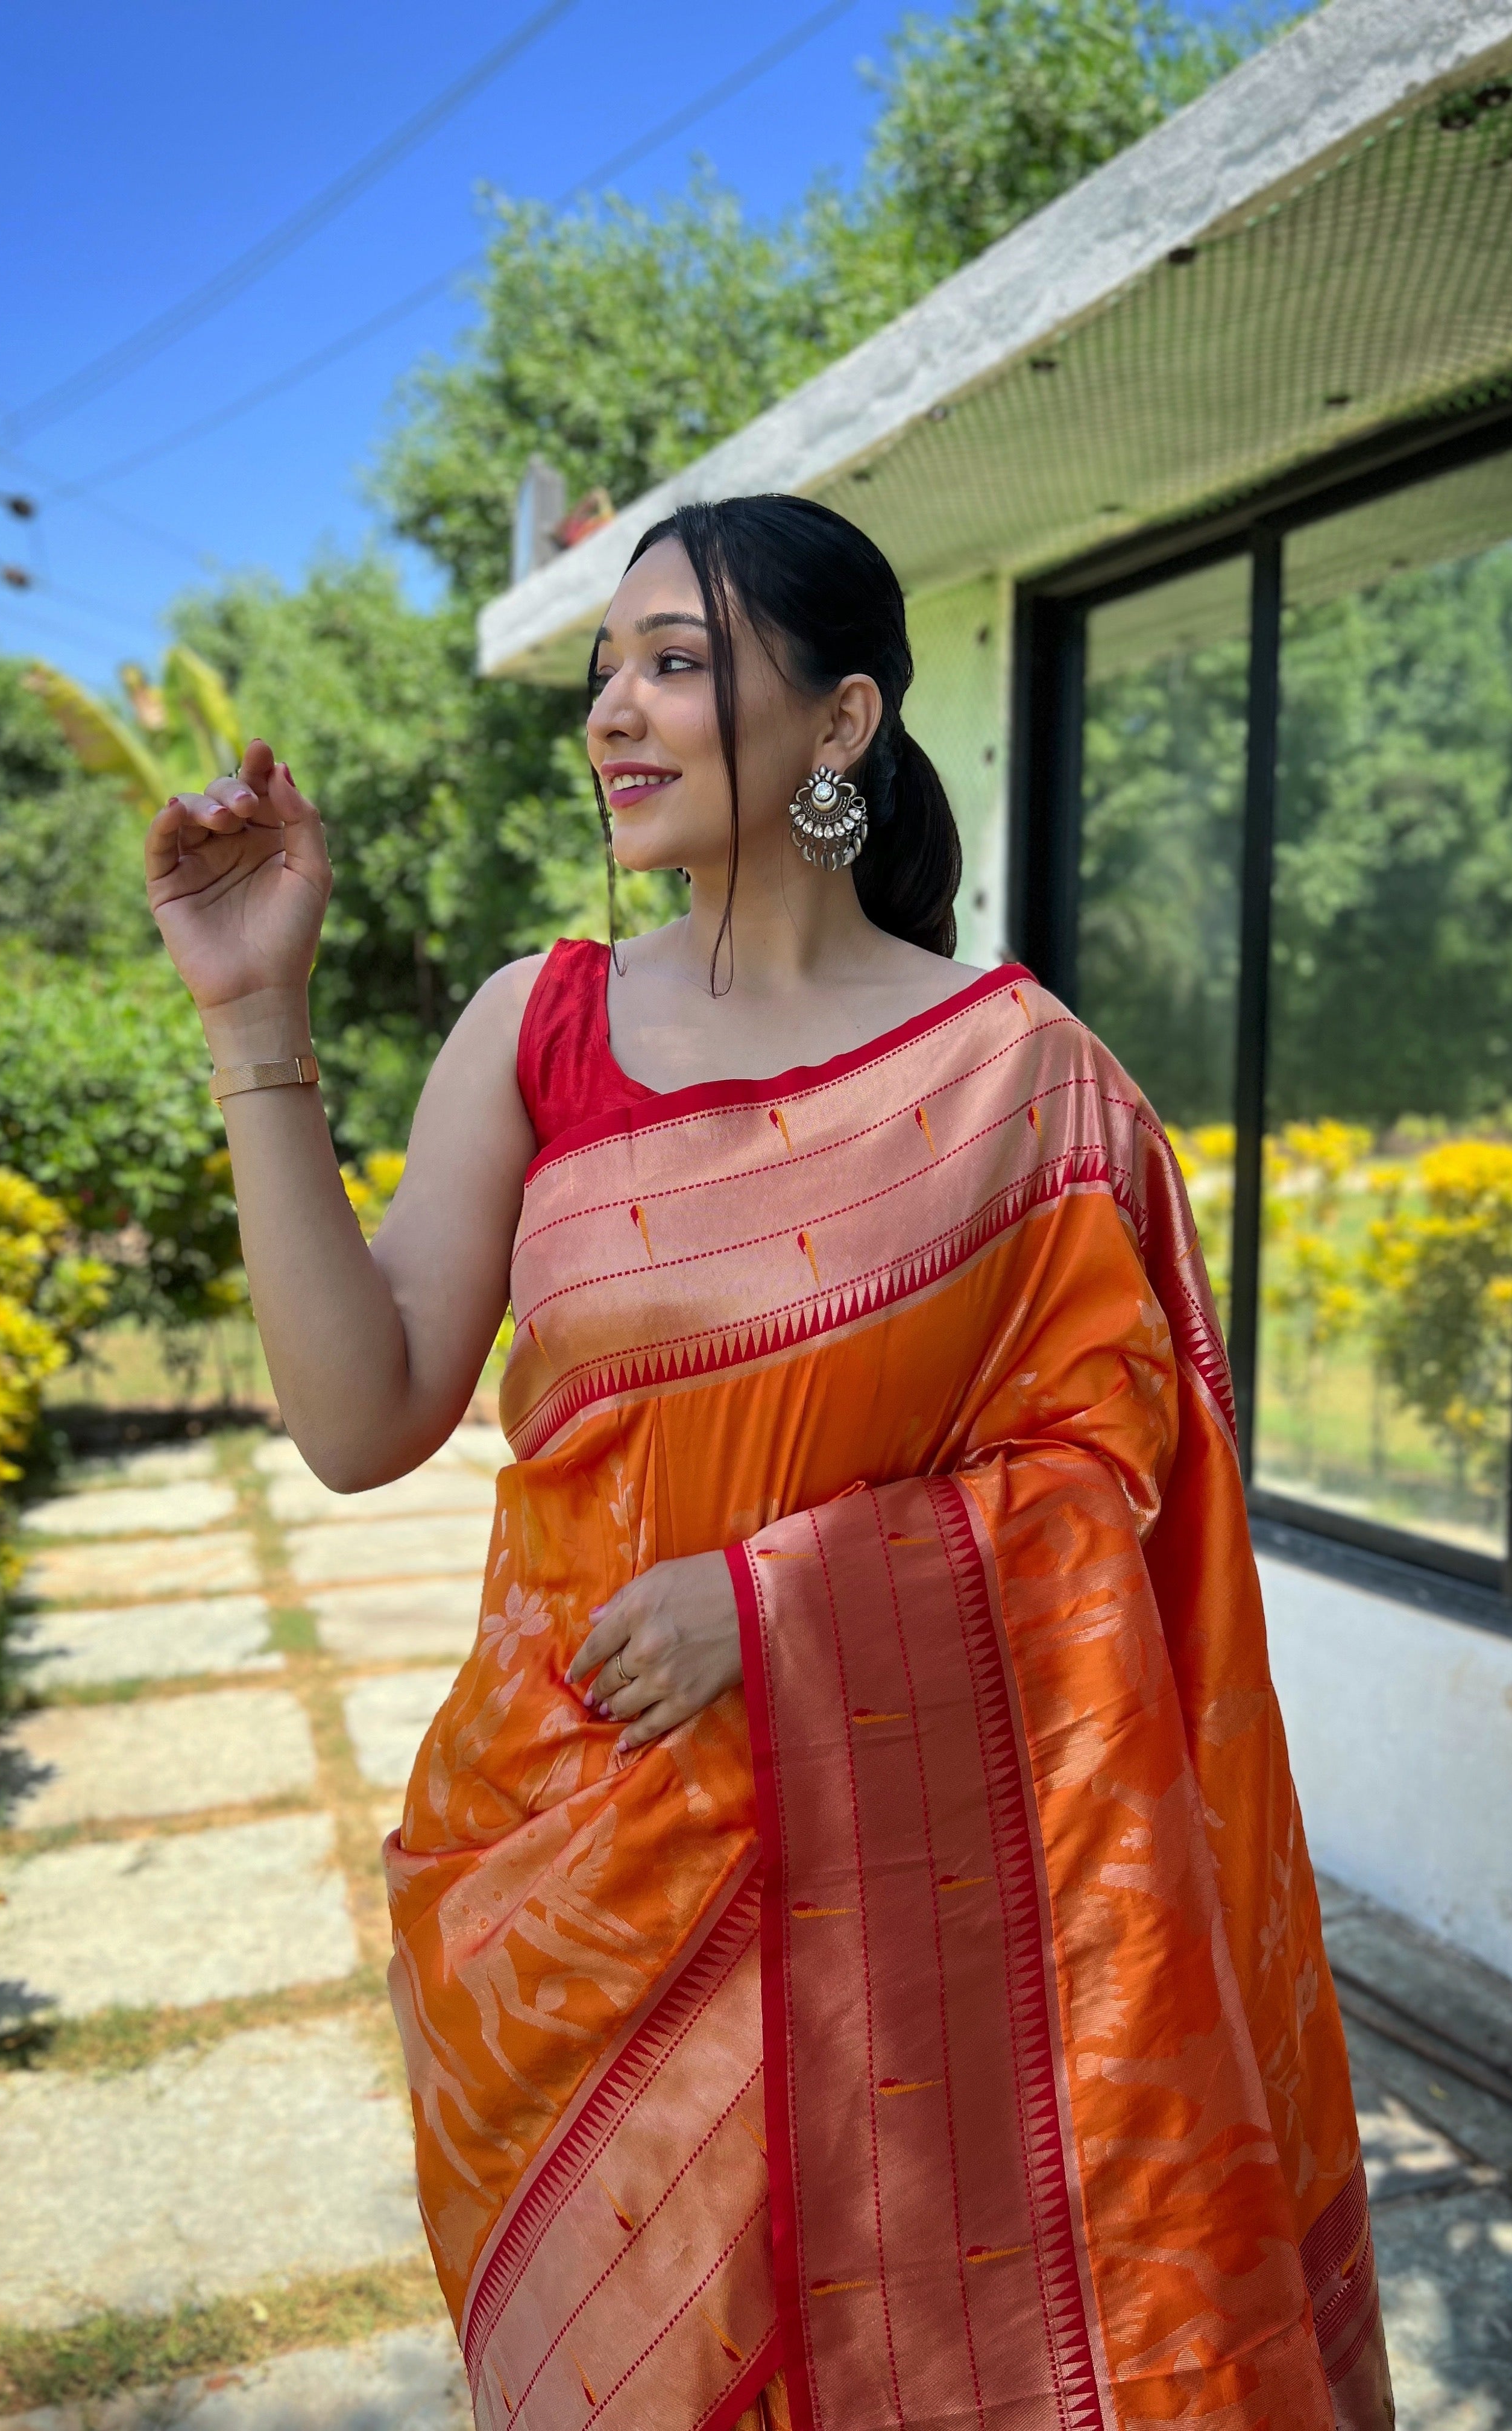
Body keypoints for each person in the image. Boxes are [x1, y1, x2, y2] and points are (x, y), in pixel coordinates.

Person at [147, 493, 1394, 2431]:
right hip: (576, 1875)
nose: (613, 717)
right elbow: (359, 1411)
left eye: (676, 663)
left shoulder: (1018, 1079)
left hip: (926, 1933)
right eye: (601, 673)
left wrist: (787, 1600)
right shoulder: (542, 1025)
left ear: (842, 722)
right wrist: (254, 1011)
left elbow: (1108, 1488)